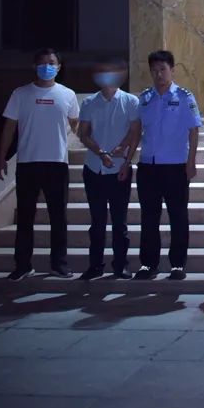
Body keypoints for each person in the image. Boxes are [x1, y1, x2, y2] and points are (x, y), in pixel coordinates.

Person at [0, 48, 80, 280]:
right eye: (42, 63)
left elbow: (77, 126)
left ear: (59, 67)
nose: (47, 67)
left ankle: (59, 264)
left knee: (58, 217)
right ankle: (23, 265)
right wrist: (1, 157)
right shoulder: (21, 94)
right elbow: (9, 128)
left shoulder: (68, 95)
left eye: (51, 63)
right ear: (34, 67)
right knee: (25, 217)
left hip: (57, 163)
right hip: (27, 162)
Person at [131, 50, 201, 281]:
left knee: (178, 217)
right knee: (149, 217)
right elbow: (137, 130)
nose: (159, 74)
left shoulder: (184, 97)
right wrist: (127, 157)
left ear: (172, 70)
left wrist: (191, 161)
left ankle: (178, 264)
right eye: (154, 70)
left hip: (175, 166)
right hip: (148, 166)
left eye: (163, 69)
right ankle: (148, 264)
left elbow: (193, 131)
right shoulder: (145, 98)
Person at [76, 58, 141, 280]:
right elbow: (83, 134)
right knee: (97, 222)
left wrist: (126, 160)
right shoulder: (89, 102)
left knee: (119, 222)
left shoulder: (130, 101)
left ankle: (121, 265)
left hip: (119, 170)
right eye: (102, 72)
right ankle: (95, 265)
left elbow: (135, 132)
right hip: (94, 169)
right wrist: (101, 152)